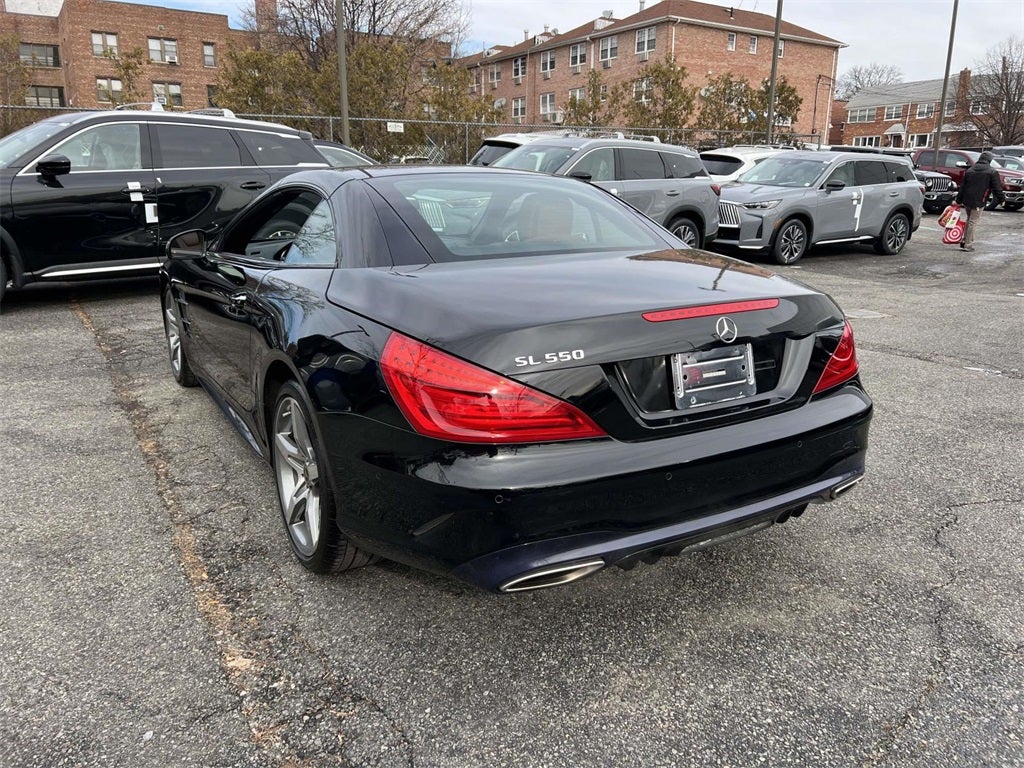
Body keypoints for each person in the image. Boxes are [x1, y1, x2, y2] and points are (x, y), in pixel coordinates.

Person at [954, 151, 1005, 251]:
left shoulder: (970, 170)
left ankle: (964, 241)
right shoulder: (992, 172)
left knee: (969, 220)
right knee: (973, 221)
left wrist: (958, 200)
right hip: (979, 200)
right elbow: (997, 188)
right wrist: (1002, 199)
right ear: (989, 160)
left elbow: (963, 187)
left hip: (967, 200)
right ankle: (968, 245)